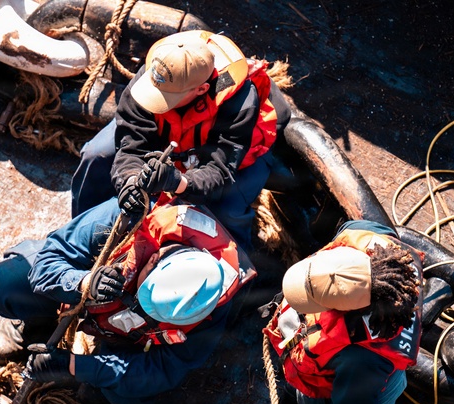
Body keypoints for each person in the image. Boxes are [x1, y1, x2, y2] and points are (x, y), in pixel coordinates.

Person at [0, 196, 256, 404]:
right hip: (82, 285)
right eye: (144, 297)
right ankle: (37, 322)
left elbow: (163, 370)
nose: (140, 307)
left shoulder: (211, 304)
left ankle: (98, 372)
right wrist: (84, 283)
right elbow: (47, 264)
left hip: (127, 336)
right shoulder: (128, 219)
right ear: (153, 259)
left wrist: (76, 367)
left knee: (128, 397)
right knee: (1, 288)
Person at [71, 30, 291, 249]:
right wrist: (129, 180)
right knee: (96, 155)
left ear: (202, 89)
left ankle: (236, 264)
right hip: (171, 134)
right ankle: (83, 236)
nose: (153, 97)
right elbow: (131, 145)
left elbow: (219, 171)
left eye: (165, 97)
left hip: (233, 152)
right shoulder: (154, 76)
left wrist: (178, 182)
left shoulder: (240, 103)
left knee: (227, 212)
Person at [264, 218, 422, 404]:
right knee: (314, 402)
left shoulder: (362, 356)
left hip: (363, 392)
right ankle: (301, 393)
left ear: (345, 311)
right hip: (343, 373)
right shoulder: (372, 241)